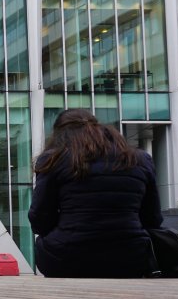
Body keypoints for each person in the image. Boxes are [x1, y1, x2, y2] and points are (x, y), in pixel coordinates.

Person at [28, 109, 162, 278]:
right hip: (131, 257)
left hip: (66, 258)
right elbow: (153, 218)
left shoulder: (54, 158)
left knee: (43, 243)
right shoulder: (140, 159)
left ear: (59, 134)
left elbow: (40, 219)